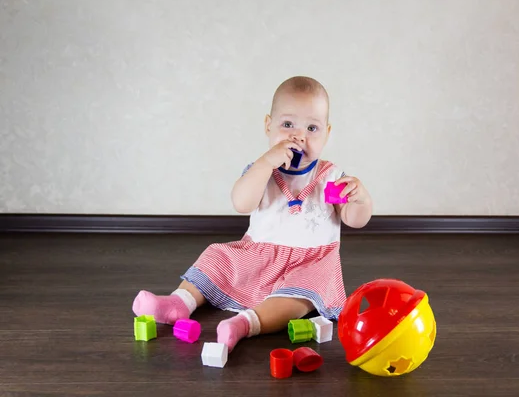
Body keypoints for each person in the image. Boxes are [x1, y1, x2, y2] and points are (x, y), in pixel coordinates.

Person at [132, 76, 373, 352]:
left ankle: (246, 324)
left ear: (327, 134)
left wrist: (361, 198)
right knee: (217, 256)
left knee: (298, 299)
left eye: (312, 128)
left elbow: (354, 219)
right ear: (268, 125)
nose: (299, 135)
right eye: (287, 124)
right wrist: (266, 163)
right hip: (257, 254)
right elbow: (242, 203)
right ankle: (179, 302)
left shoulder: (331, 176)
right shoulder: (262, 170)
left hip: (312, 262)